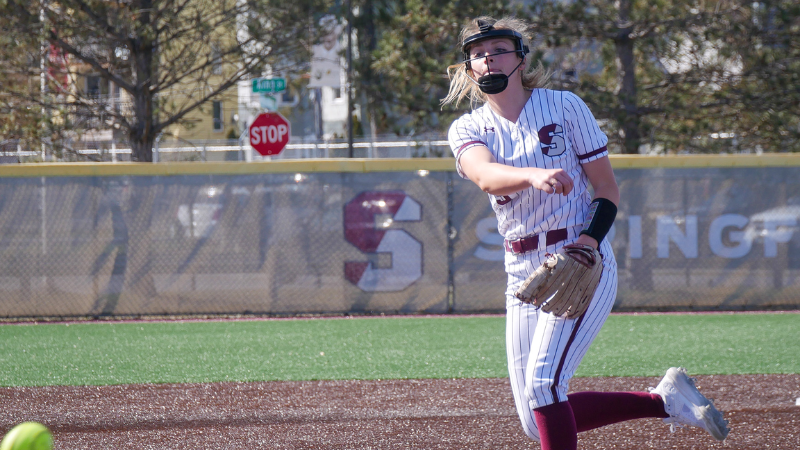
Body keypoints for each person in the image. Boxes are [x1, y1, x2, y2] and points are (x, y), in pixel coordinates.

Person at [443, 16, 729, 450]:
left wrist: (588, 244)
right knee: (532, 417)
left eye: (498, 49)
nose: (488, 59)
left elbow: (607, 189)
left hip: (580, 257)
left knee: (543, 388)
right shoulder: (468, 128)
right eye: (478, 54)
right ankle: (663, 401)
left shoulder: (564, 106)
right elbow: (484, 175)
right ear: (469, 70)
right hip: (522, 271)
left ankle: (663, 401)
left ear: (520, 58)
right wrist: (532, 175)